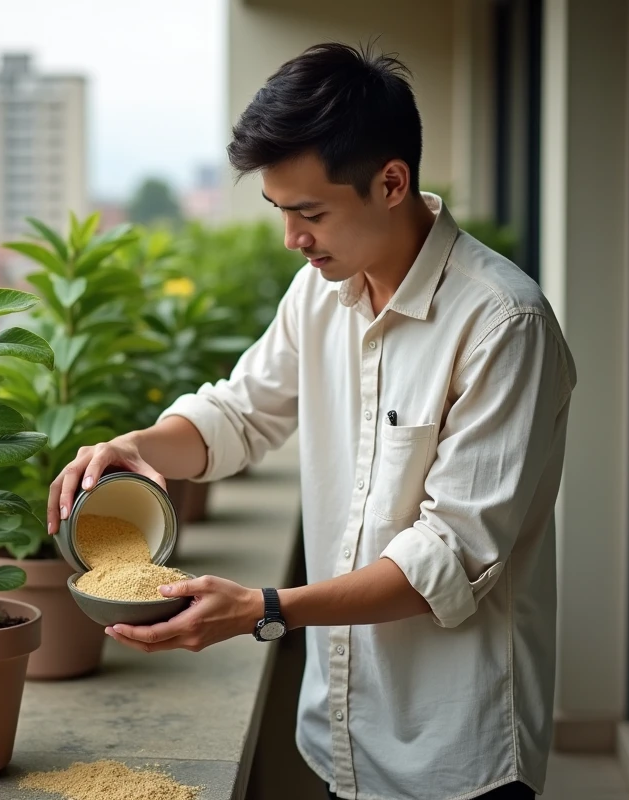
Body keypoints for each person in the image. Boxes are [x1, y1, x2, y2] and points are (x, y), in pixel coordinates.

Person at [47, 42, 575, 800]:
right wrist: (136, 446)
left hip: (457, 752)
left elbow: (449, 556)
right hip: (337, 736)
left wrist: (263, 611)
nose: (293, 238)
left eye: (311, 212)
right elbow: (237, 413)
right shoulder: (320, 292)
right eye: (279, 211)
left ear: (392, 182)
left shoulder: (502, 323)